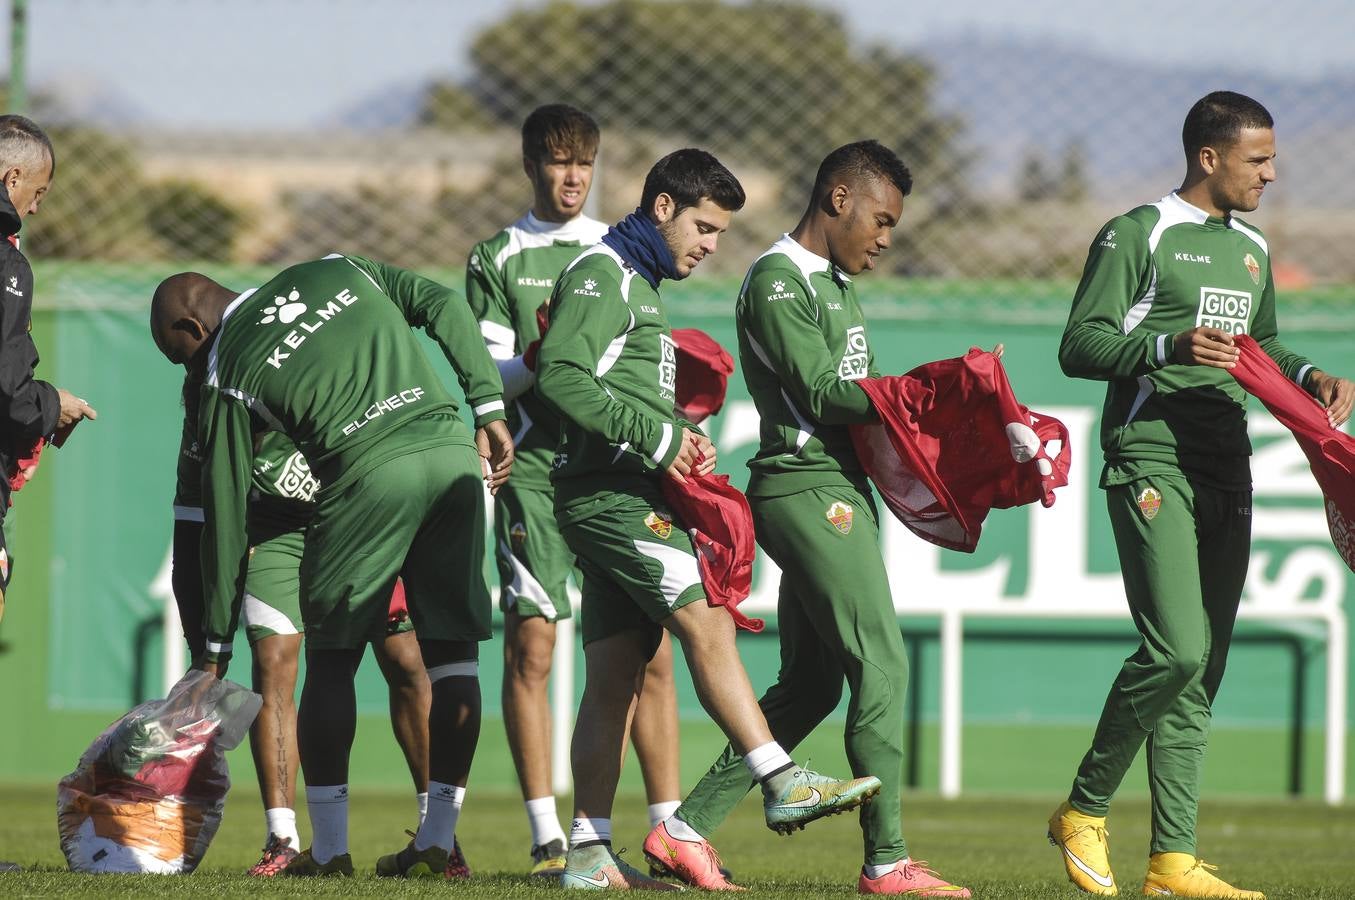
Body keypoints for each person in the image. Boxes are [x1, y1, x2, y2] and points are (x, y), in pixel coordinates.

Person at [535, 148, 881, 891]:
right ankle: (780, 777)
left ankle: (588, 853)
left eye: (720, 232)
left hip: (612, 493)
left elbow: (602, 382)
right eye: (701, 226)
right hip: (612, 500)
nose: (709, 245)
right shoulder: (604, 276)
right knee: (707, 620)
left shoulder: (638, 285)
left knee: (613, 681)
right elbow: (561, 372)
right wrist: (658, 435)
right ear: (660, 208)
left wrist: (667, 431)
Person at [642, 141, 971, 897]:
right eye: (880, 220)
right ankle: (886, 864)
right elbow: (824, 395)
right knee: (882, 664)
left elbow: (862, 404)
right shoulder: (778, 280)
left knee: (811, 686)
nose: (885, 238)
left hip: (838, 488)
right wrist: (925, 393)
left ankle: (681, 832)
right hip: (804, 488)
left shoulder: (835, 285)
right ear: (837, 199)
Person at [1050, 91, 1352, 900]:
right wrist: (1166, 344)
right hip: (1151, 455)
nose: (1272, 173)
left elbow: (1263, 340)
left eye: (1271, 158)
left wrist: (1303, 373)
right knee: (1174, 649)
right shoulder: (1135, 233)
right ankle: (1082, 808)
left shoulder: (1250, 246)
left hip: (1228, 459)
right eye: (1257, 160)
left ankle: (1171, 861)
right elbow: (1079, 344)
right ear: (1209, 157)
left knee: (1202, 667)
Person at [149, 254, 513, 878]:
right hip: (452, 452)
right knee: (453, 658)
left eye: (179, 356)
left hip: (366, 481)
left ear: (193, 329)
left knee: (333, 661)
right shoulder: (336, 267)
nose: (188, 373)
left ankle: (327, 849)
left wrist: (213, 649)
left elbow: (224, 517)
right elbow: (448, 305)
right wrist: (488, 406)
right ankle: (436, 838)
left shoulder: (226, 368)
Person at [465, 104, 681, 878]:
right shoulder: (497, 256)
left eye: (584, 163)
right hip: (531, 472)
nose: (572, 177)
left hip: (615, 470)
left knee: (649, 656)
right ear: (530, 166)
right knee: (534, 644)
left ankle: (668, 832)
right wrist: (546, 349)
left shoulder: (618, 251)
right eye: (558, 163)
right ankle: (547, 834)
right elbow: (490, 373)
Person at [171, 405, 440, 876]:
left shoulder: (319, 346)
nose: (190, 364)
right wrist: (204, 644)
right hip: (273, 527)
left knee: (405, 659)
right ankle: (283, 839)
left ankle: (438, 834)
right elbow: (190, 515)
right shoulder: (208, 392)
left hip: (361, 518)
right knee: (274, 664)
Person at [0, 115, 97, 874]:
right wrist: (50, 402)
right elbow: (4, 393)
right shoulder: (7, 262)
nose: (37, 207)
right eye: (39, 190)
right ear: (11, 181)